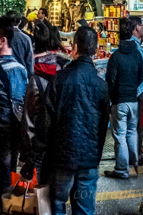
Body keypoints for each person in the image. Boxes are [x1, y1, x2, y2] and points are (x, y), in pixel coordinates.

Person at [28, 26, 110, 215]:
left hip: (61, 158)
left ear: (73, 48)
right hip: (89, 160)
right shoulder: (101, 86)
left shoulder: (59, 80)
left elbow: (45, 124)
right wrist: (96, 157)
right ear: (96, 49)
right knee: (84, 208)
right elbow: (102, 127)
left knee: (56, 204)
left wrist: (33, 158)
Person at [0, 15, 29, 206]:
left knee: (2, 180)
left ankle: (6, 209)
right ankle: (15, 208)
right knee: (11, 173)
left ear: (3, 41)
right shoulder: (21, 68)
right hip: (17, 130)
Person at [105, 17, 143, 179]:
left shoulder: (115, 57)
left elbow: (111, 80)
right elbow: (142, 74)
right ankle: (134, 165)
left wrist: (113, 96)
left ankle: (122, 169)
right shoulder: (137, 53)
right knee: (131, 133)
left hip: (120, 102)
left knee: (120, 135)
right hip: (133, 100)